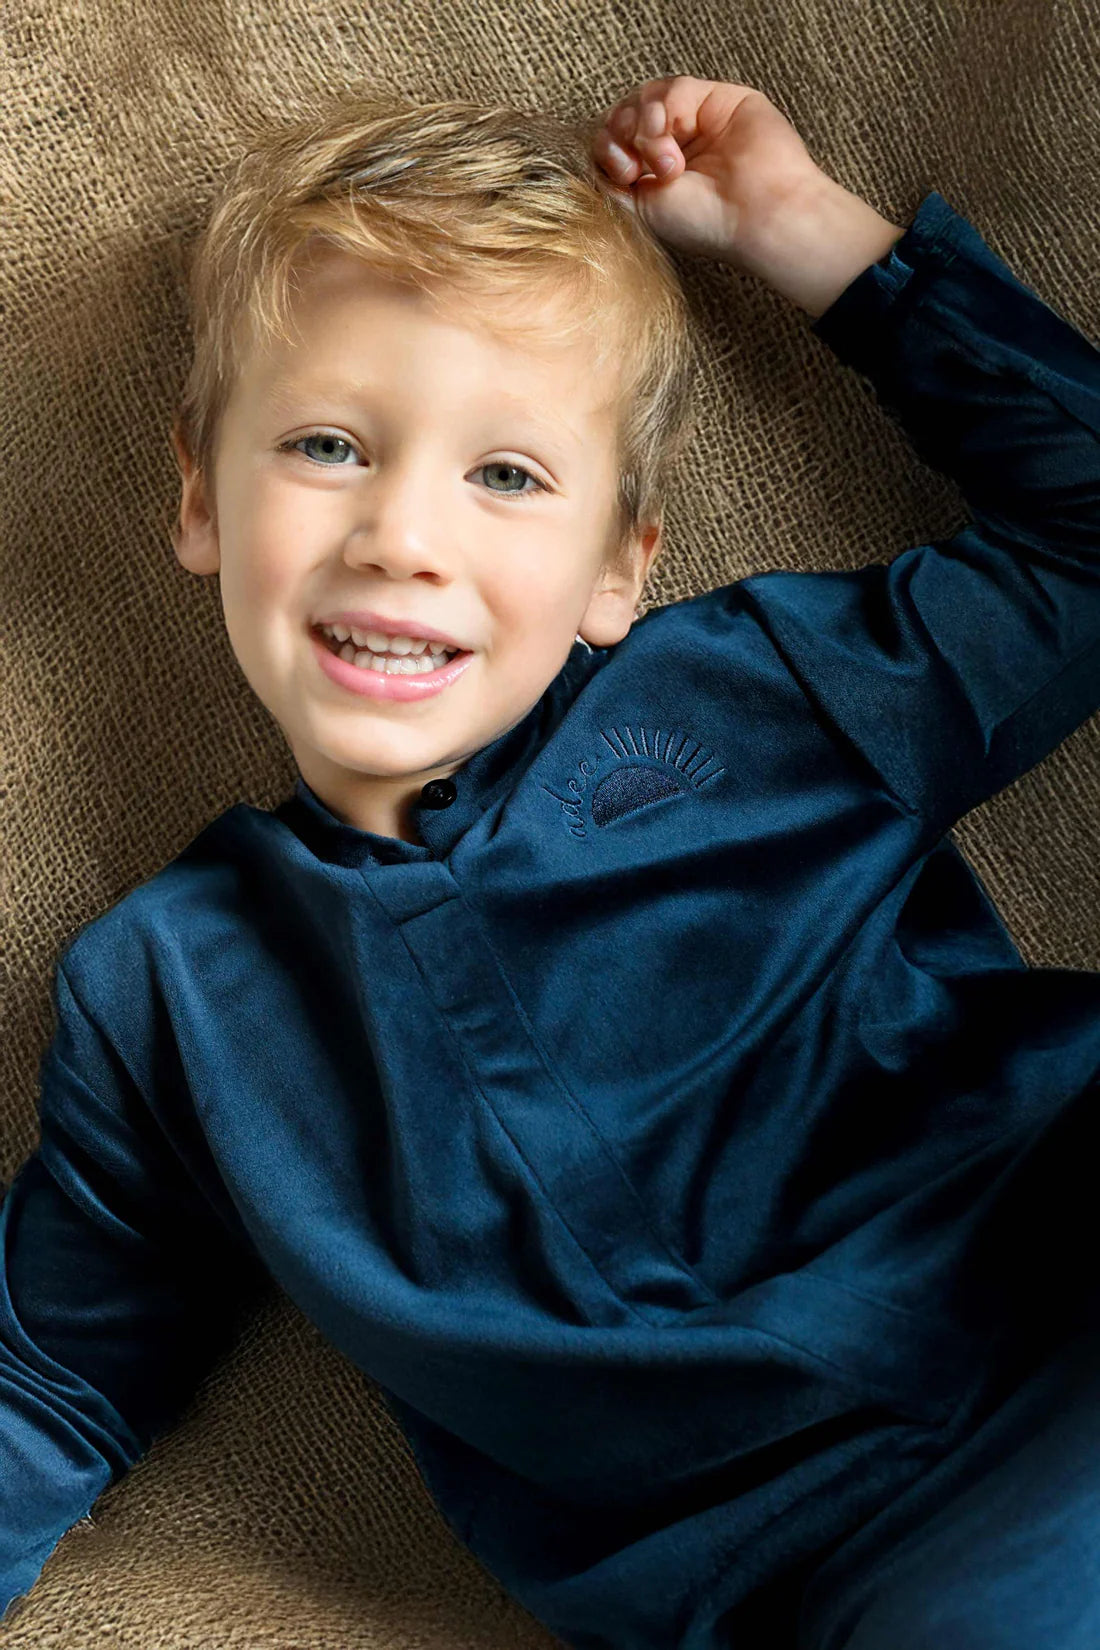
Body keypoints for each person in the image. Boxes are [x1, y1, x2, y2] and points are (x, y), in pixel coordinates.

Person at [2, 71, 1099, 1649]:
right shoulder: (167, 999)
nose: (401, 534)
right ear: (198, 495)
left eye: (505, 474)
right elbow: (48, 1374)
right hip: (845, 1571)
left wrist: (805, 232)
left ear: (616, 567)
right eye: (328, 444)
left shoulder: (759, 697)